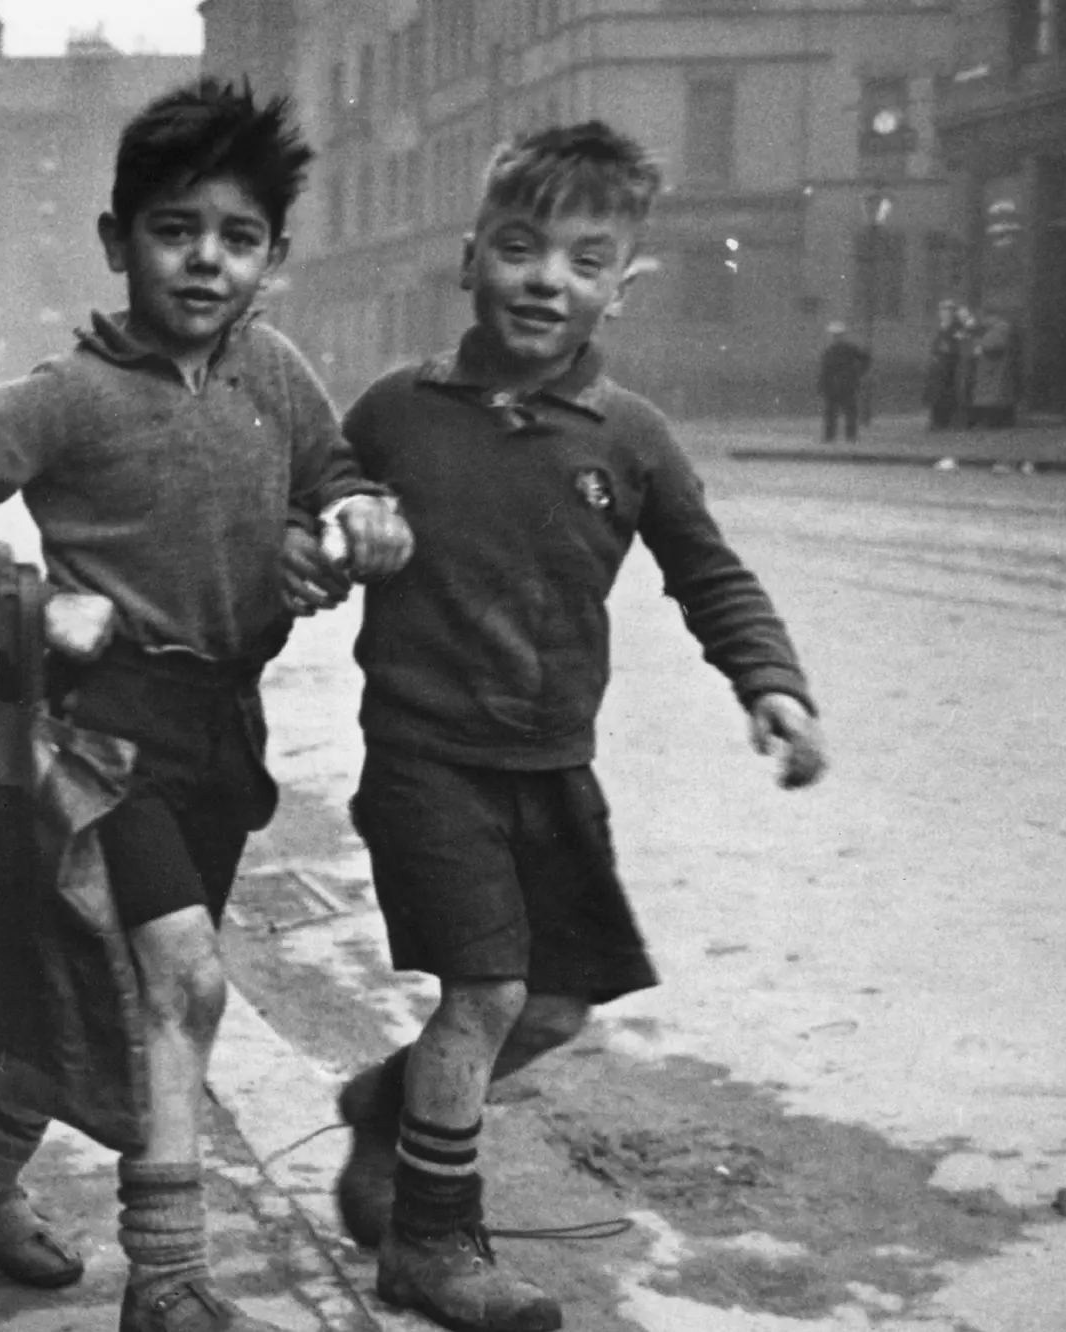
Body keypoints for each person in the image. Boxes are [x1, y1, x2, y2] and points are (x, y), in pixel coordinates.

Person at [0, 77, 406, 1332]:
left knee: (120, 999)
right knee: (182, 981)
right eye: (174, 231)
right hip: (88, 736)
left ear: (273, 256)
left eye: (236, 237)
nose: (205, 261)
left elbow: (334, 480)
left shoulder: (272, 370)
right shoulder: (68, 392)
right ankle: (165, 1277)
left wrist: (348, 526)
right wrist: (25, 602)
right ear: (119, 243)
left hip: (215, 734)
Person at [325, 121, 828, 1332]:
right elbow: (318, 504)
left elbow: (710, 575)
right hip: (426, 758)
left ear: (622, 284)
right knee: (489, 991)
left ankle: (389, 1109)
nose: (546, 278)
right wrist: (344, 524)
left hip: (552, 765)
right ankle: (432, 1245)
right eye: (518, 246)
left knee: (553, 1009)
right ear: (468, 258)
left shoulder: (630, 437)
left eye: (583, 260)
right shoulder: (397, 411)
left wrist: (772, 683)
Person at [965, 305, 1019, 429]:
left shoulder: (1000, 328)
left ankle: (994, 422)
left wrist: (979, 345)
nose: (982, 321)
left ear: (991, 317)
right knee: (993, 395)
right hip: (991, 367)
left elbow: (993, 346)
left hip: (994, 368)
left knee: (993, 397)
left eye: (983, 318)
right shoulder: (997, 329)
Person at [817, 321, 871, 442]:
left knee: (848, 412)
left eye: (836, 335)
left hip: (845, 385)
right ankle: (832, 437)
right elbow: (825, 371)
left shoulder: (847, 349)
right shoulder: (830, 351)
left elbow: (865, 360)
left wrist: (858, 373)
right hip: (836, 386)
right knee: (833, 413)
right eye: (833, 335)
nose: (834, 338)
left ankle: (846, 436)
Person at [925, 299, 967, 430]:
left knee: (947, 394)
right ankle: (936, 420)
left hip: (950, 366)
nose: (943, 313)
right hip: (938, 366)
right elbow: (936, 345)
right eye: (942, 310)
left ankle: (945, 421)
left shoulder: (956, 327)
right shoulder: (941, 327)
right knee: (936, 393)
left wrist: (948, 349)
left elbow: (959, 345)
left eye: (947, 311)